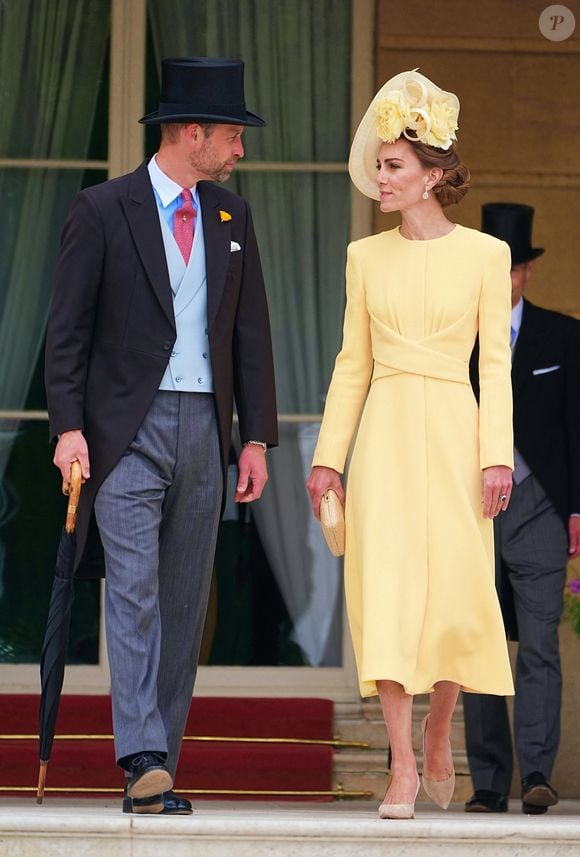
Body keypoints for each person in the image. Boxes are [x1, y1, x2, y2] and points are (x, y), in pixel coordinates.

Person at [44, 57, 277, 815]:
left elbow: (251, 336)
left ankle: (158, 765)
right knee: (135, 593)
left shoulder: (232, 217)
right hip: (125, 431)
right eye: (233, 135)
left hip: (205, 429)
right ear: (193, 132)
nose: (240, 150)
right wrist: (69, 426)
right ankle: (141, 753)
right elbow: (67, 333)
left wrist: (254, 439)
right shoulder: (102, 209)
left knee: (183, 603)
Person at [306, 70, 515, 820]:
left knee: (457, 591)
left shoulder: (488, 256)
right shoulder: (366, 257)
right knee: (385, 592)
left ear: (433, 175)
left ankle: (438, 726)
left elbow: (495, 363)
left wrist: (498, 455)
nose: (379, 177)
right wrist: (329, 455)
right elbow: (351, 363)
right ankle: (400, 764)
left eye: (392, 167)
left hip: (459, 431)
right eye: (379, 166)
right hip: (387, 434)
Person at [463, 203, 580, 816]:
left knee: (538, 645)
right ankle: (487, 781)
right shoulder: (454, 338)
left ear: (526, 273)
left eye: (512, 266)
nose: (502, 275)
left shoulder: (564, 336)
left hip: (539, 506)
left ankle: (535, 773)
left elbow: (578, 429)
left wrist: (579, 510)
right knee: (478, 645)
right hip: (470, 509)